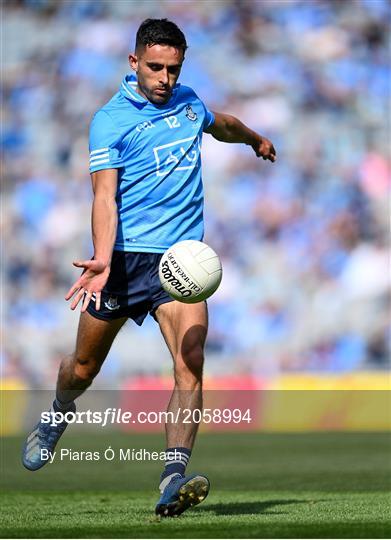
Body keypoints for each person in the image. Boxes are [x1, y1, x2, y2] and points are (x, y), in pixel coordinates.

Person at [22, 18, 276, 517]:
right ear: (134, 62)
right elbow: (104, 196)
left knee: (192, 360)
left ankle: (172, 477)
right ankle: (57, 413)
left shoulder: (188, 102)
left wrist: (253, 138)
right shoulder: (110, 121)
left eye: (173, 69)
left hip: (180, 260)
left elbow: (217, 122)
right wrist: (100, 256)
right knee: (83, 368)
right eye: (155, 67)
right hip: (121, 259)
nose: (165, 78)